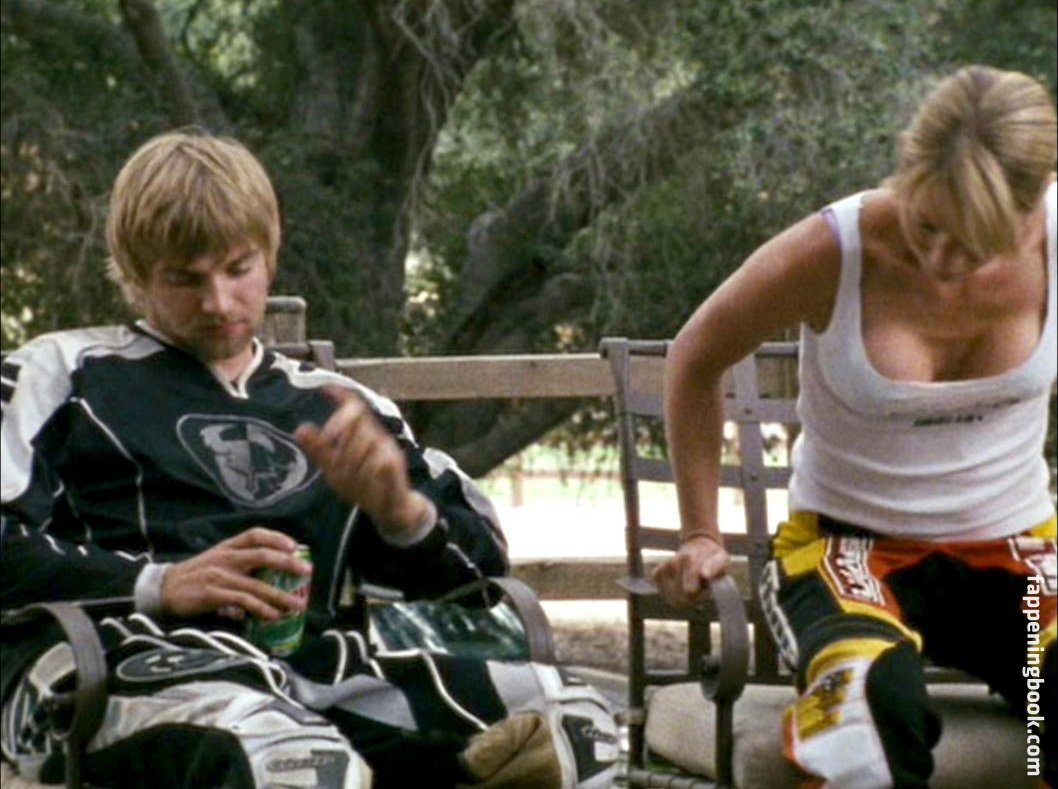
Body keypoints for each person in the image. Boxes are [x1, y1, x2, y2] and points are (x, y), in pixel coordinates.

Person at [0, 130, 618, 789]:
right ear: (134, 271)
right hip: (118, 663)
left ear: (269, 255)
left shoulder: (343, 406)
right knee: (293, 762)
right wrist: (161, 583)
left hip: (320, 666)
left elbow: (479, 578)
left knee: (574, 726)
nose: (218, 303)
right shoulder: (59, 375)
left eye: (238, 269)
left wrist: (402, 515)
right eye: (184, 278)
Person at [653, 65, 1056, 787]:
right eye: (927, 224)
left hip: (1017, 550)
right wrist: (700, 533)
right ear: (906, 165)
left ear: (1035, 209)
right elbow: (694, 360)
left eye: (975, 244)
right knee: (865, 718)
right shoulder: (831, 252)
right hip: (845, 550)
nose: (941, 261)